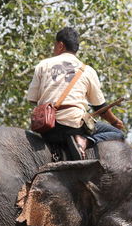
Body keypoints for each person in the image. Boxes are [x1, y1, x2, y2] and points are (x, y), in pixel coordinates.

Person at [27, 27, 124, 159]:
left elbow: (33, 99)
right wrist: (114, 121)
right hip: (74, 127)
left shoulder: (43, 65)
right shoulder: (87, 71)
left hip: (47, 129)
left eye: (54, 45)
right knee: (117, 134)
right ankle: (85, 141)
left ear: (60, 45)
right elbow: (100, 107)